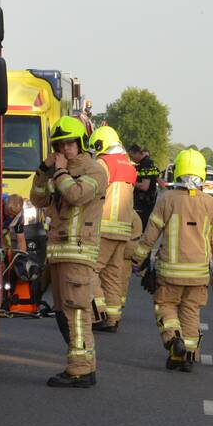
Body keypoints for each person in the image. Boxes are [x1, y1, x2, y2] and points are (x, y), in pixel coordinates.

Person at [30, 116, 108, 388]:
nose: (65, 149)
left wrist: (60, 172)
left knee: (77, 312)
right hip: (59, 252)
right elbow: (38, 199)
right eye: (60, 144)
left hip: (79, 251)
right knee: (64, 313)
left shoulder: (95, 170)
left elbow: (76, 195)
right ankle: (84, 364)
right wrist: (43, 170)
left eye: (71, 143)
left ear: (81, 143)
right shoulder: (55, 171)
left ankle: (80, 369)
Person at [132, 150, 213, 371]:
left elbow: (150, 235)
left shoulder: (167, 200)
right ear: (202, 174)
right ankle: (189, 356)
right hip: (198, 275)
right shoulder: (211, 205)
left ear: (178, 172)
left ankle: (174, 341)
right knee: (191, 312)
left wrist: (137, 260)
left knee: (165, 306)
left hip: (170, 272)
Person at [89, 126, 137, 332]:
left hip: (104, 227)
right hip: (123, 230)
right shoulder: (130, 166)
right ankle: (113, 318)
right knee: (113, 274)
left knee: (91, 270)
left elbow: (92, 192)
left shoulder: (102, 163)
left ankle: (98, 314)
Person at [128, 144, 160, 230]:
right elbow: (158, 180)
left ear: (138, 153)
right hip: (146, 202)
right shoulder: (145, 164)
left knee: (138, 228)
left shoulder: (146, 164)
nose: (131, 158)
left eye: (132, 156)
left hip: (143, 203)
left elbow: (145, 186)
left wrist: (131, 182)